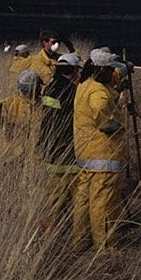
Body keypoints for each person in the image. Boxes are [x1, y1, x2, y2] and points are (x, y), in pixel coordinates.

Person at [72, 49, 130, 251]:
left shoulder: (84, 86)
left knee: (84, 200)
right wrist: (118, 126)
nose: (113, 73)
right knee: (104, 203)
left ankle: (81, 240)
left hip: (85, 153)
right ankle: (105, 246)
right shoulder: (99, 93)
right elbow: (105, 121)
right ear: (102, 69)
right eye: (110, 69)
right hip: (104, 155)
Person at [39, 53, 82, 230]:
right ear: (73, 71)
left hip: (51, 148)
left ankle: (49, 225)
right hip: (68, 149)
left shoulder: (49, 88)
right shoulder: (72, 92)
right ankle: (76, 228)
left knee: (54, 194)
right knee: (78, 193)